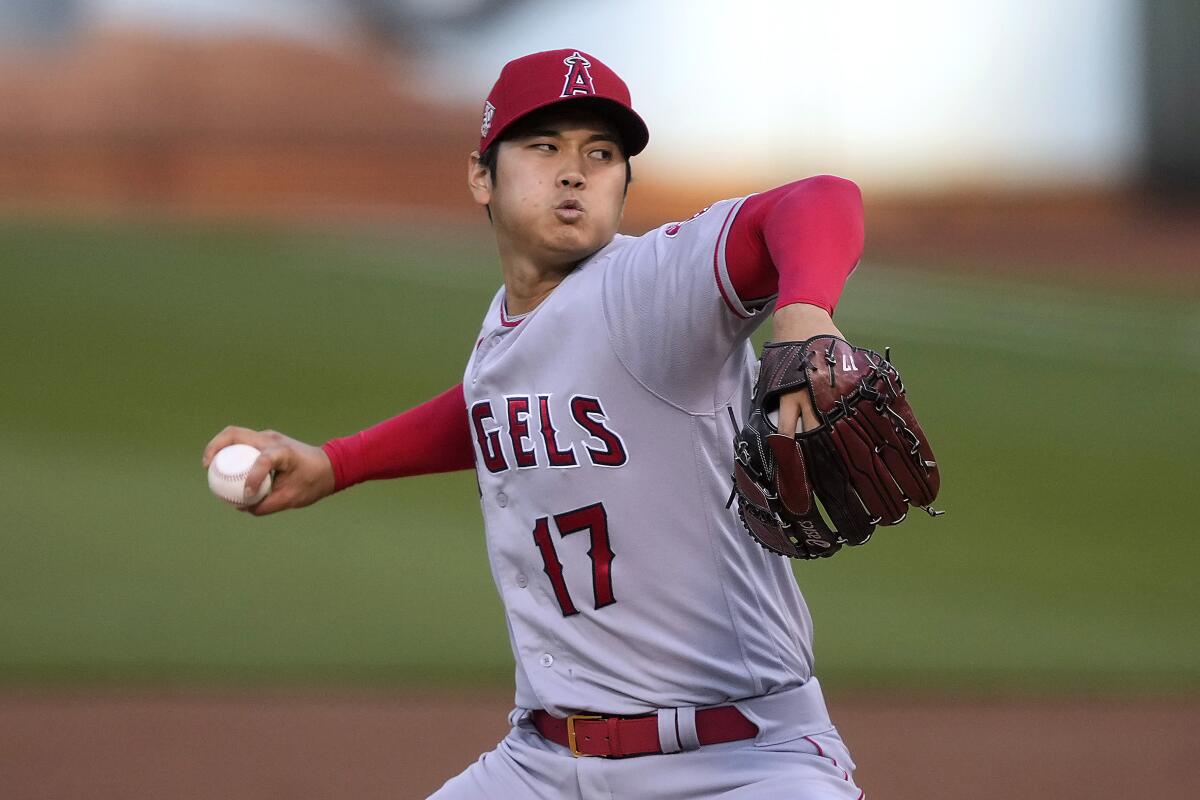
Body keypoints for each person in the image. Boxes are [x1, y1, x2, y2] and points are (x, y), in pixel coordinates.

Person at [204, 48, 867, 799]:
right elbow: (491, 407)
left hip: (739, 764)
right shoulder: (511, 329)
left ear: (625, 183)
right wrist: (336, 463)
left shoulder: (649, 287)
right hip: (544, 764)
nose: (575, 171)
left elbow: (819, 199)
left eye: (602, 153)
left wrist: (805, 312)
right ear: (481, 176)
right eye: (544, 146)